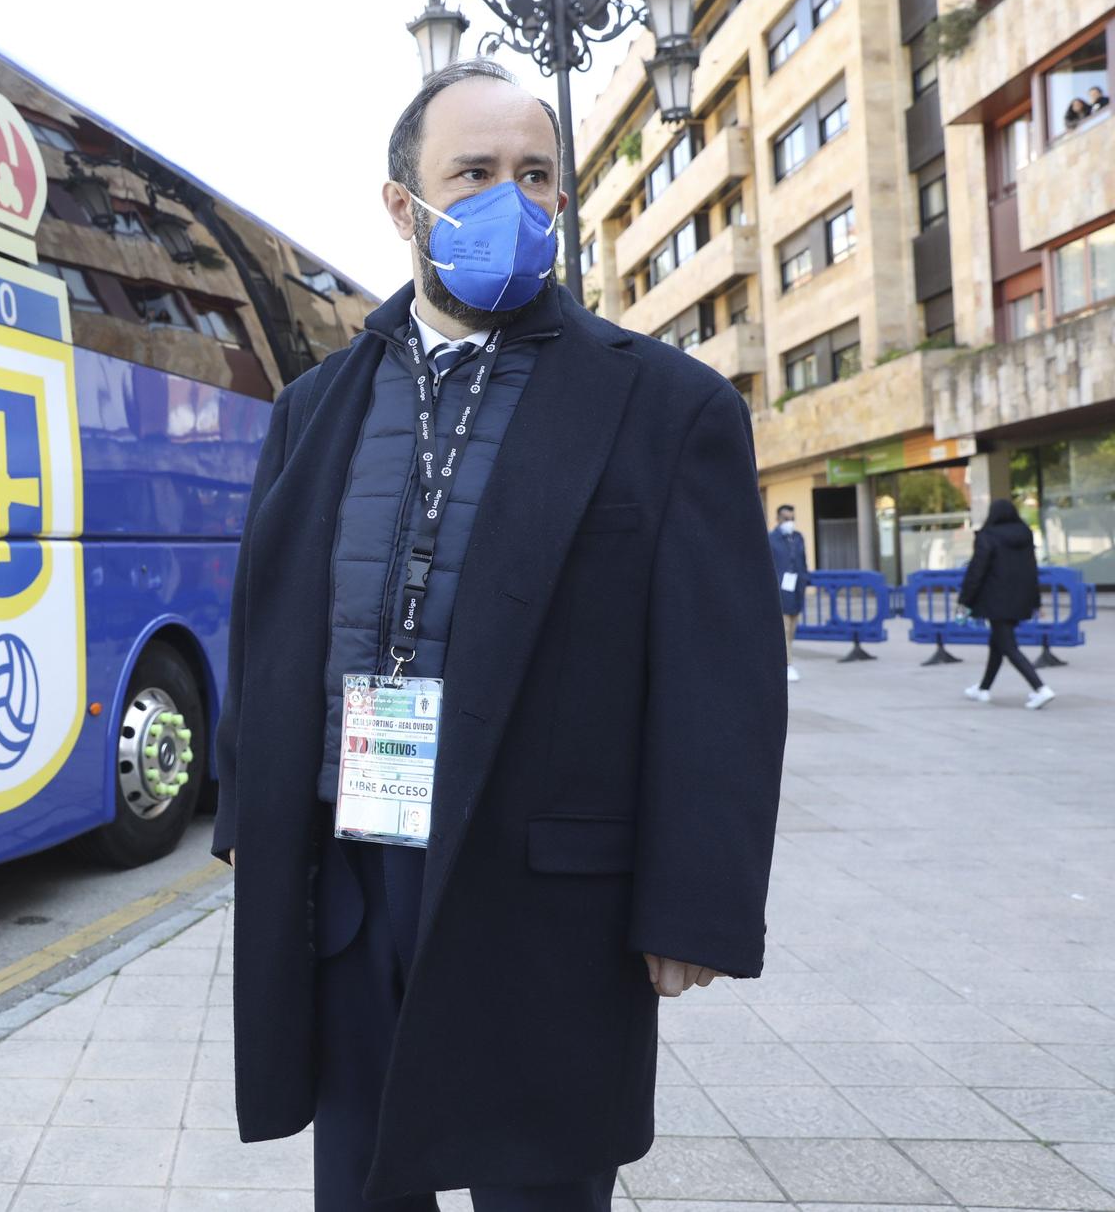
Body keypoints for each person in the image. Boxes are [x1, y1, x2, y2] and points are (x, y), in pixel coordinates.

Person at [211, 59, 787, 1211]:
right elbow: (269, 629)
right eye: (471, 172)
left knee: (541, 1187)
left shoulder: (665, 406)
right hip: (350, 879)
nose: (508, 201)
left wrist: (693, 900)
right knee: (364, 1181)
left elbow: (717, 676)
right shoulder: (315, 406)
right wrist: (253, 822)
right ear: (401, 204)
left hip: (548, 898)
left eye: (534, 176)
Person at [959, 498, 1056, 709]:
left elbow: (977, 570)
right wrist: (1036, 602)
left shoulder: (988, 536)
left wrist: (964, 600)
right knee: (997, 644)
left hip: (995, 600)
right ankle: (983, 689)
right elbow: (1032, 570)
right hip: (1021, 599)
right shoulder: (1025, 534)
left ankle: (1040, 688)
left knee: (1009, 647)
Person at [770, 504, 808, 682]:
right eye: (786, 519)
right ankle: (787, 664)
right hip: (779, 591)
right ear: (778, 519)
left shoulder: (798, 538)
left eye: (792, 519)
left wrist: (805, 580)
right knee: (783, 630)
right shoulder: (771, 539)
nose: (789, 522)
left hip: (796, 590)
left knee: (792, 630)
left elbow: (803, 561)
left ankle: (786, 662)